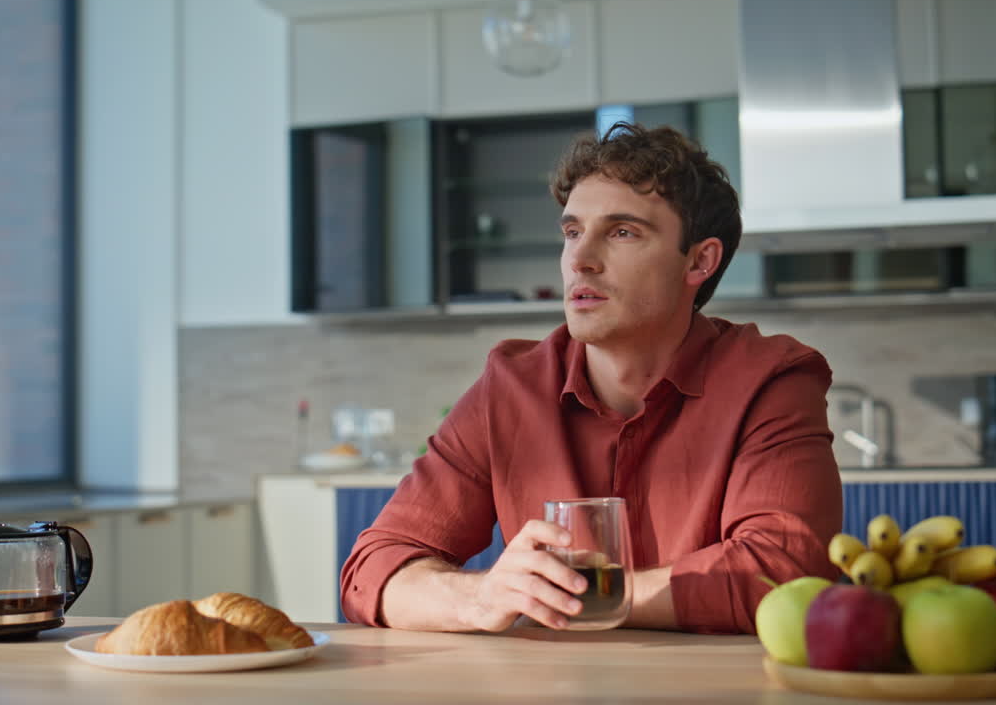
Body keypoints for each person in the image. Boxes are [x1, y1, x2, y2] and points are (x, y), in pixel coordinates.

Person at [340, 122, 842, 634]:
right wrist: (480, 596)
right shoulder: (510, 387)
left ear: (699, 260)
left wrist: (574, 594)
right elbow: (374, 570)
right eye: (573, 232)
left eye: (622, 232)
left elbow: (782, 572)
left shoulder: (771, 380)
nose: (580, 260)